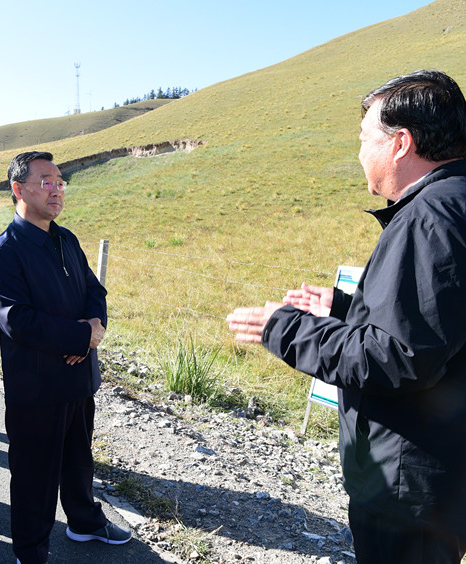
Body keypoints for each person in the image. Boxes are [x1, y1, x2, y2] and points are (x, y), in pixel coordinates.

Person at [226, 70, 466, 564]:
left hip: (408, 486)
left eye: (363, 138)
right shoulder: (453, 204)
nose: (358, 153)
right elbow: (436, 325)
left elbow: (398, 358)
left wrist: (283, 327)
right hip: (438, 474)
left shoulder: (428, 219)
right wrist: (344, 308)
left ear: (401, 143)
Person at [0, 151, 131, 563]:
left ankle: (84, 522)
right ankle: (30, 549)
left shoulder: (66, 239)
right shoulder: (4, 251)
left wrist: (92, 331)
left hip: (79, 378)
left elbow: (94, 292)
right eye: (46, 181)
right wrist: (80, 336)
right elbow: (17, 321)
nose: (57, 190)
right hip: (37, 386)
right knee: (35, 475)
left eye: (60, 182)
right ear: (18, 189)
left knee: (79, 461)